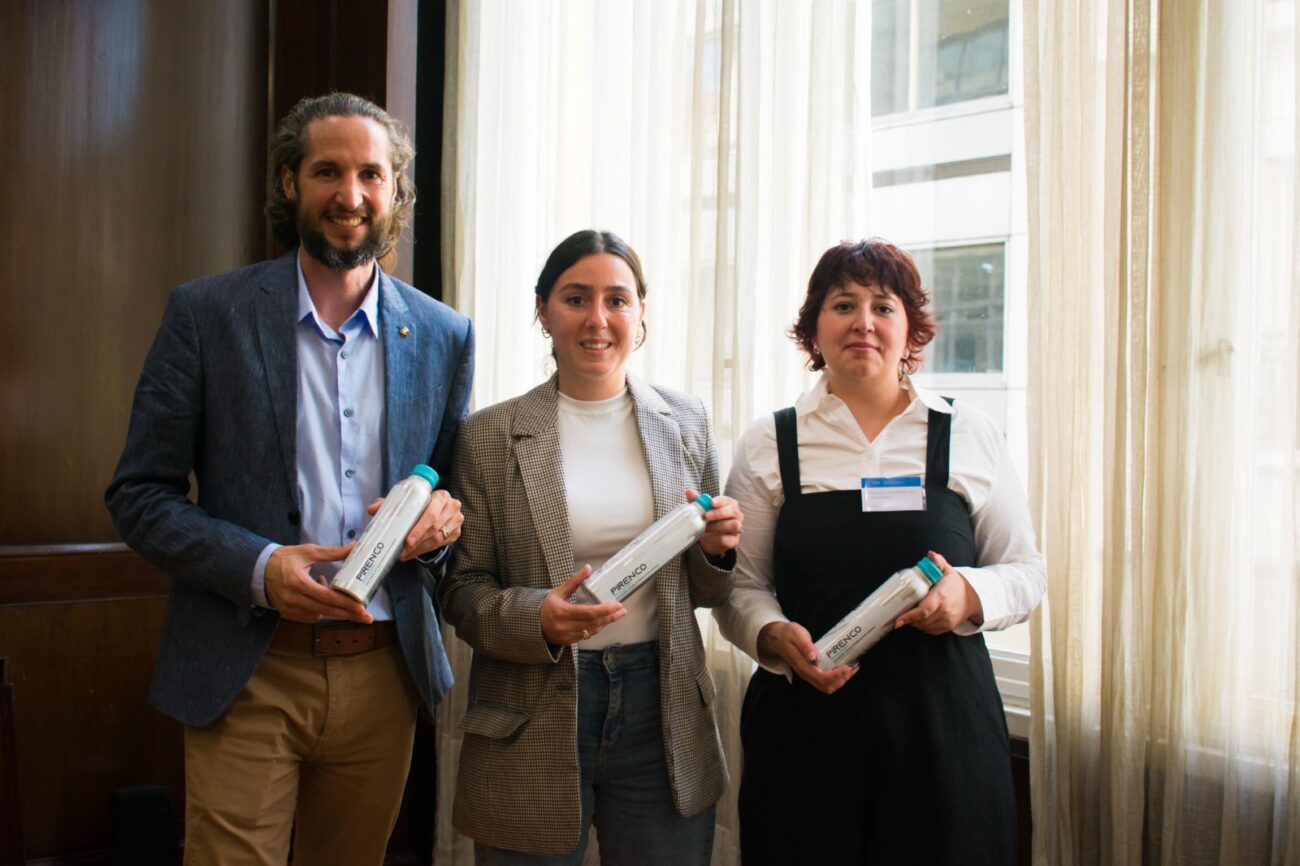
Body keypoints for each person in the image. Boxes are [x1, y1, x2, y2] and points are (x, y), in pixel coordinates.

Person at [105, 92, 474, 866]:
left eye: (371, 175)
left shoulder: (445, 335)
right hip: (248, 667)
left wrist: (440, 528)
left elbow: (448, 497)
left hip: (385, 672)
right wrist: (259, 567)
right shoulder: (207, 315)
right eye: (327, 172)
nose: (350, 195)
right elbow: (139, 496)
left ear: (396, 190)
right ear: (288, 182)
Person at [713, 239, 1045, 864]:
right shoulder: (769, 442)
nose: (863, 322)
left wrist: (967, 594)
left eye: (883, 307)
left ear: (910, 329)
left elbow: (1026, 573)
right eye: (843, 305)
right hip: (805, 732)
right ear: (814, 327)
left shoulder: (968, 431)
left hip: (944, 735)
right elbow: (739, 589)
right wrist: (771, 634)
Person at [438, 229, 742, 865]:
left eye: (617, 300)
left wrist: (716, 551)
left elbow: (707, 592)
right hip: (531, 709)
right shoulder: (488, 435)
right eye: (576, 298)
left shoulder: (686, 421)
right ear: (543, 311)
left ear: (641, 312)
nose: (598, 319)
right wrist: (538, 618)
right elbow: (462, 591)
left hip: (662, 710)